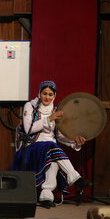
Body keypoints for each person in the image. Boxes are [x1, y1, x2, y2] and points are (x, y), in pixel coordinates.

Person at [12, 80, 92, 209]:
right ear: (39, 94)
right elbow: (28, 129)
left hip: (51, 148)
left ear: (54, 96)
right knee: (51, 147)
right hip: (32, 147)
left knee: (53, 154)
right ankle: (73, 176)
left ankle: (46, 196)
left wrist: (75, 143)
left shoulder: (56, 110)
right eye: (44, 93)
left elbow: (59, 136)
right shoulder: (30, 106)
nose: (47, 97)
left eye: (50, 94)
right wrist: (50, 118)